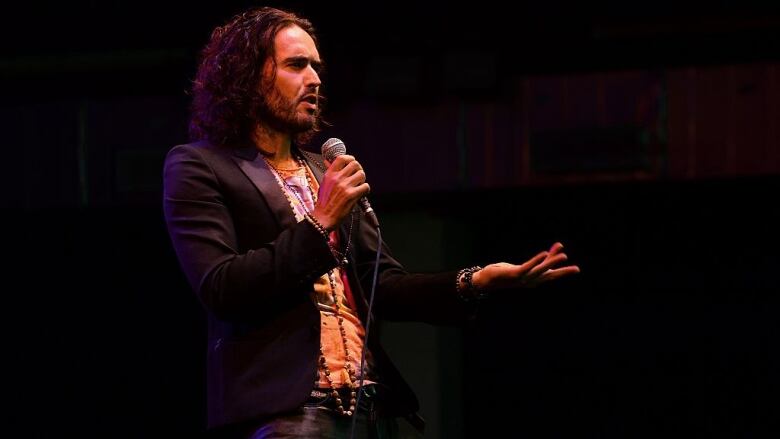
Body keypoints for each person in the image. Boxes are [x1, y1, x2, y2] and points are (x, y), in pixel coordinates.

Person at [163, 6, 580, 438]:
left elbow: (383, 286)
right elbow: (221, 287)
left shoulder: (326, 172)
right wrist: (321, 219)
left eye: (317, 66)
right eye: (296, 65)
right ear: (248, 76)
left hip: (368, 408)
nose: (315, 79)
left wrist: (474, 282)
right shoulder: (201, 166)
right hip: (285, 413)